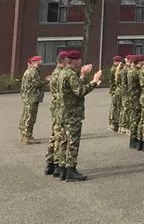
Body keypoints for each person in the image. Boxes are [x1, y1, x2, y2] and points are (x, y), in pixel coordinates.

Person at [55, 50, 103, 181]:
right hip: (72, 114)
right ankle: (71, 170)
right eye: (79, 60)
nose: (81, 62)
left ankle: (63, 168)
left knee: (64, 142)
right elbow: (80, 91)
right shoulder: (70, 75)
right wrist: (94, 81)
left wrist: (82, 75)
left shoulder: (63, 73)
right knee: (72, 143)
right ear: (74, 61)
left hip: (63, 113)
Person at [19, 55, 46, 144]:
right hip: (32, 97)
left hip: (28, 97)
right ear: (35, 62)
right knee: (30, 117)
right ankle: (27, 136)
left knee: (26, 115)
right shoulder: (33, 71)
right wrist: (47, 81)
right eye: (40, 60)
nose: (42, 61)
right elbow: (37, 83)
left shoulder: (29, 71)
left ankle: (24, 134)